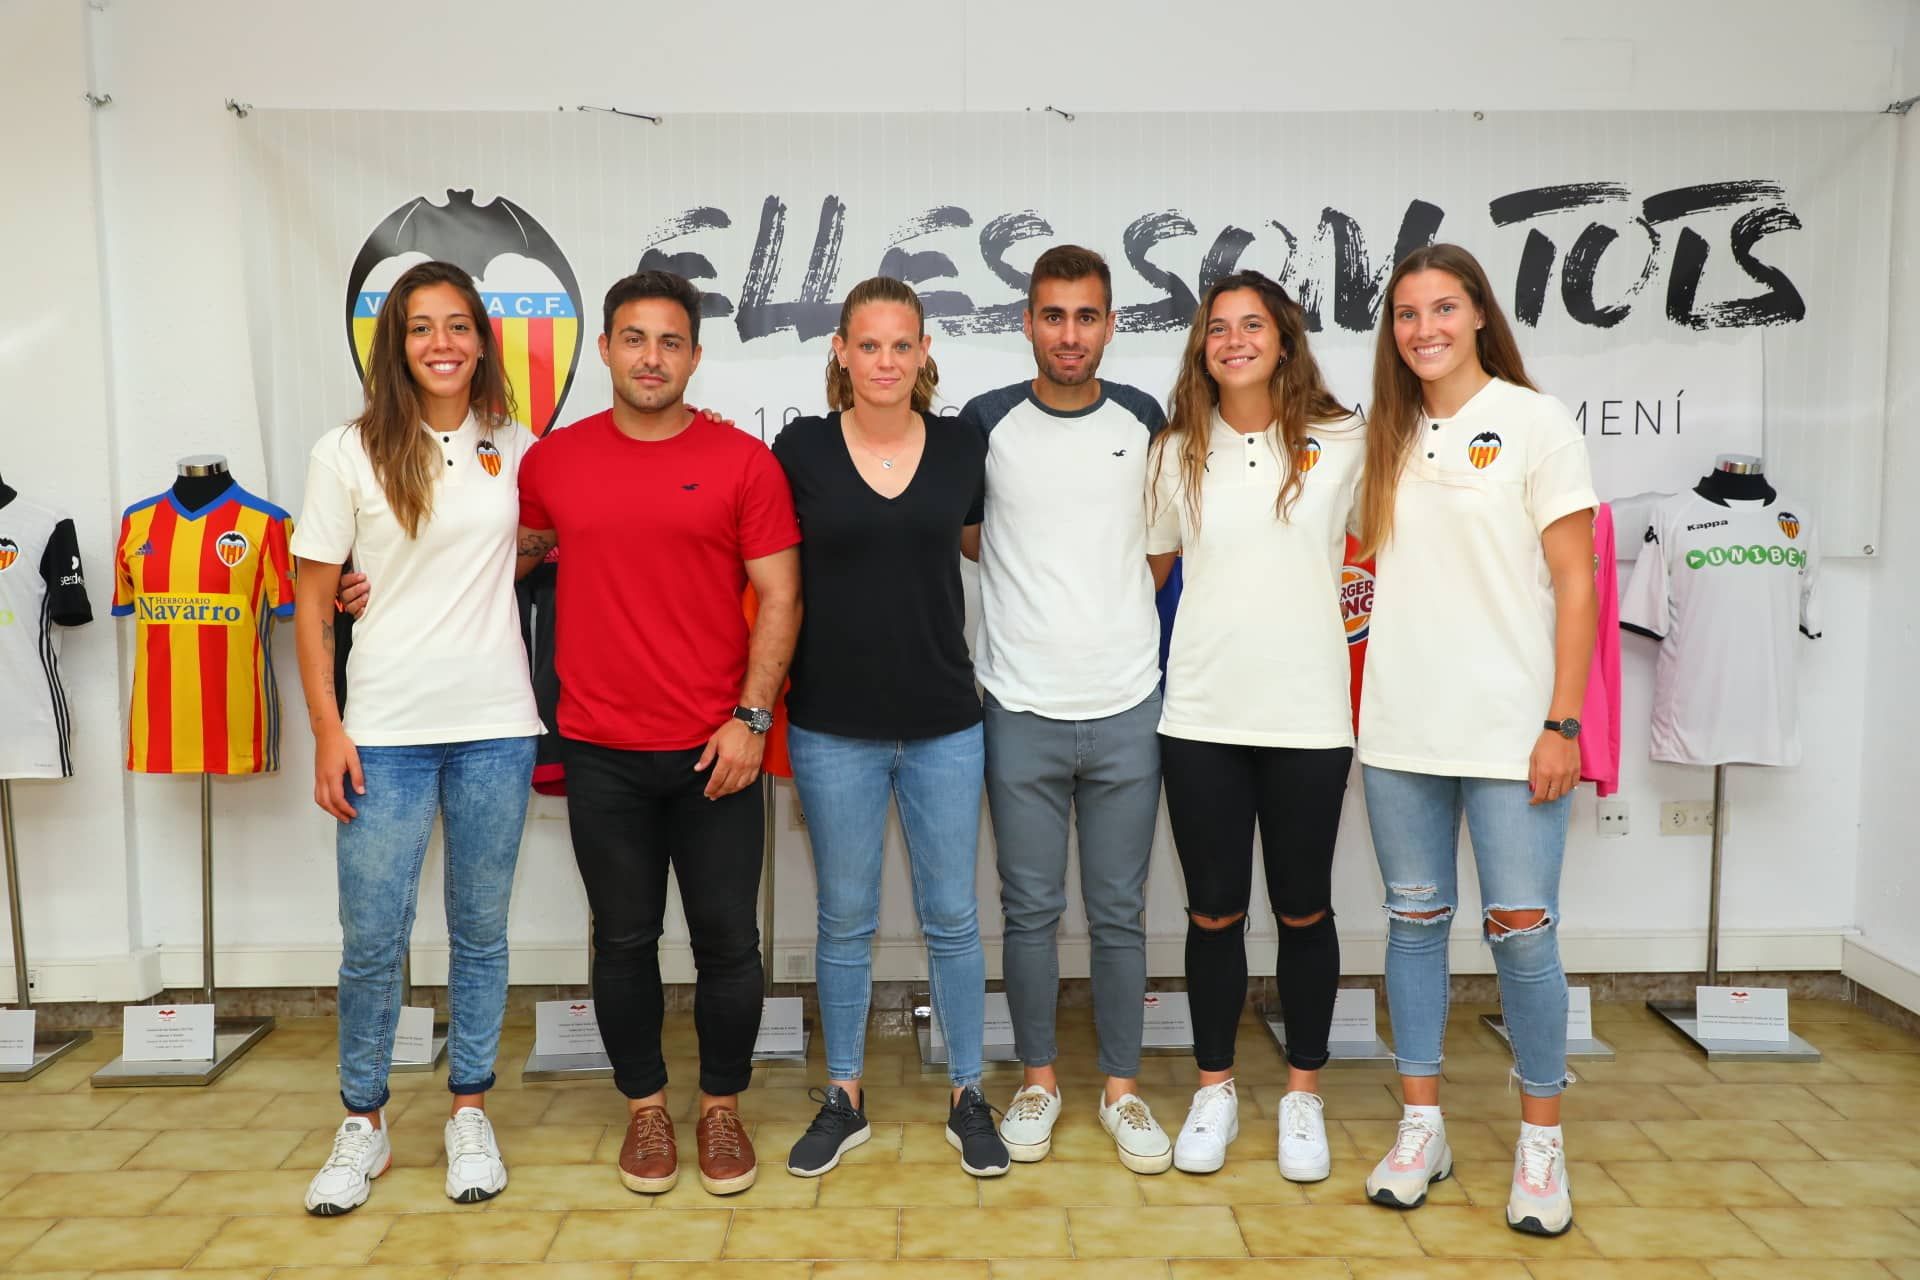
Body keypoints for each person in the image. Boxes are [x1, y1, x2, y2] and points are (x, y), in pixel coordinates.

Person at [513, 270, 802, 1197]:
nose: (651, 357)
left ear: (695, 356)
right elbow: (489, 565)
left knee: (728, 942)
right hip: (600, 748)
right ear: (603, 349)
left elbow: (782, 597)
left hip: (717, 747)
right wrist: (378, 586)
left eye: (670, 341)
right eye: (634, 339)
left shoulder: (742, 463)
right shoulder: (550, 464)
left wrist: (751, 720)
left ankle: (720, 1108)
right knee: (624, 941)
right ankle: (645, 1111)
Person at [1353, 243, 1596, 1237]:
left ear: (1481, 316)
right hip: (1403, 731)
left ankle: (1543, 1143)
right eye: (1407, 314)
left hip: (1513, 732)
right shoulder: (1388, 433)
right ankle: (1423, 1128)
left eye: (1443, 308)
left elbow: (1577, 582)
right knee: (1413, 925)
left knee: (1523, 934)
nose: (1424, 328)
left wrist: (1561, 721)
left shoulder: (1538, 422)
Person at [291, 260, 542, 1215]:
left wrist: (533, 550)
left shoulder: (515, 445)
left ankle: (468, 1109)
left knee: (480, 935)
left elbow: (543, 537)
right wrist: (328, 729)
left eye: (458, 326)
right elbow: (314, 604)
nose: (441, 343)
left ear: (482, 341)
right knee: (372, 939)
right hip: (384, 733)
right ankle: (364, 1123)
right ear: (395, 344)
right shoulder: (344, 453)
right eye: (420, 328)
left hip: (496, 728)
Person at [774, 277, 1005, 1179]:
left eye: (900, 345)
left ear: (922, 353)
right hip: (833, 724)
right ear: (840, 351)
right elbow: (762, 571)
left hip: (946, 720)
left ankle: (968, 1094)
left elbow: (1004, 551)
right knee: (844, 920)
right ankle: (845, 1096)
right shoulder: (800, 448)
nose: (884, 361)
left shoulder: (960, 448)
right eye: (868, 345)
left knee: (953, 917)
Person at [1143, 270, 1366, 1180]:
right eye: (1218, 328)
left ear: (1285, 337)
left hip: (1311, 716)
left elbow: (1393, 550)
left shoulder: (1345, 439)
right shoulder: (1173, 450)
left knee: (1304, 908)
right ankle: (1215, 1090)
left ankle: (1303, 1098)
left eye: (1253, 325)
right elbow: (1145, 577)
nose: (1234, 340)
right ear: (1203, 346)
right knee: (1213, 913)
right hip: (1200, 713)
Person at [955, 245, 1172, 1174]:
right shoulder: (986, 422)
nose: (1070, 333)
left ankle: (1121, 1090)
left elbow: (1158, 551)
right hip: (1019, 705)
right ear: (1028, 322)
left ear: (1110, 323)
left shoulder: (1145, 418)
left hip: (1128, 702)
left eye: (1087, 316)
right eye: (1053, 315)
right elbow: (972, 537)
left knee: (1121, 912)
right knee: (1030, 909)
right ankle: (1039, 1081)